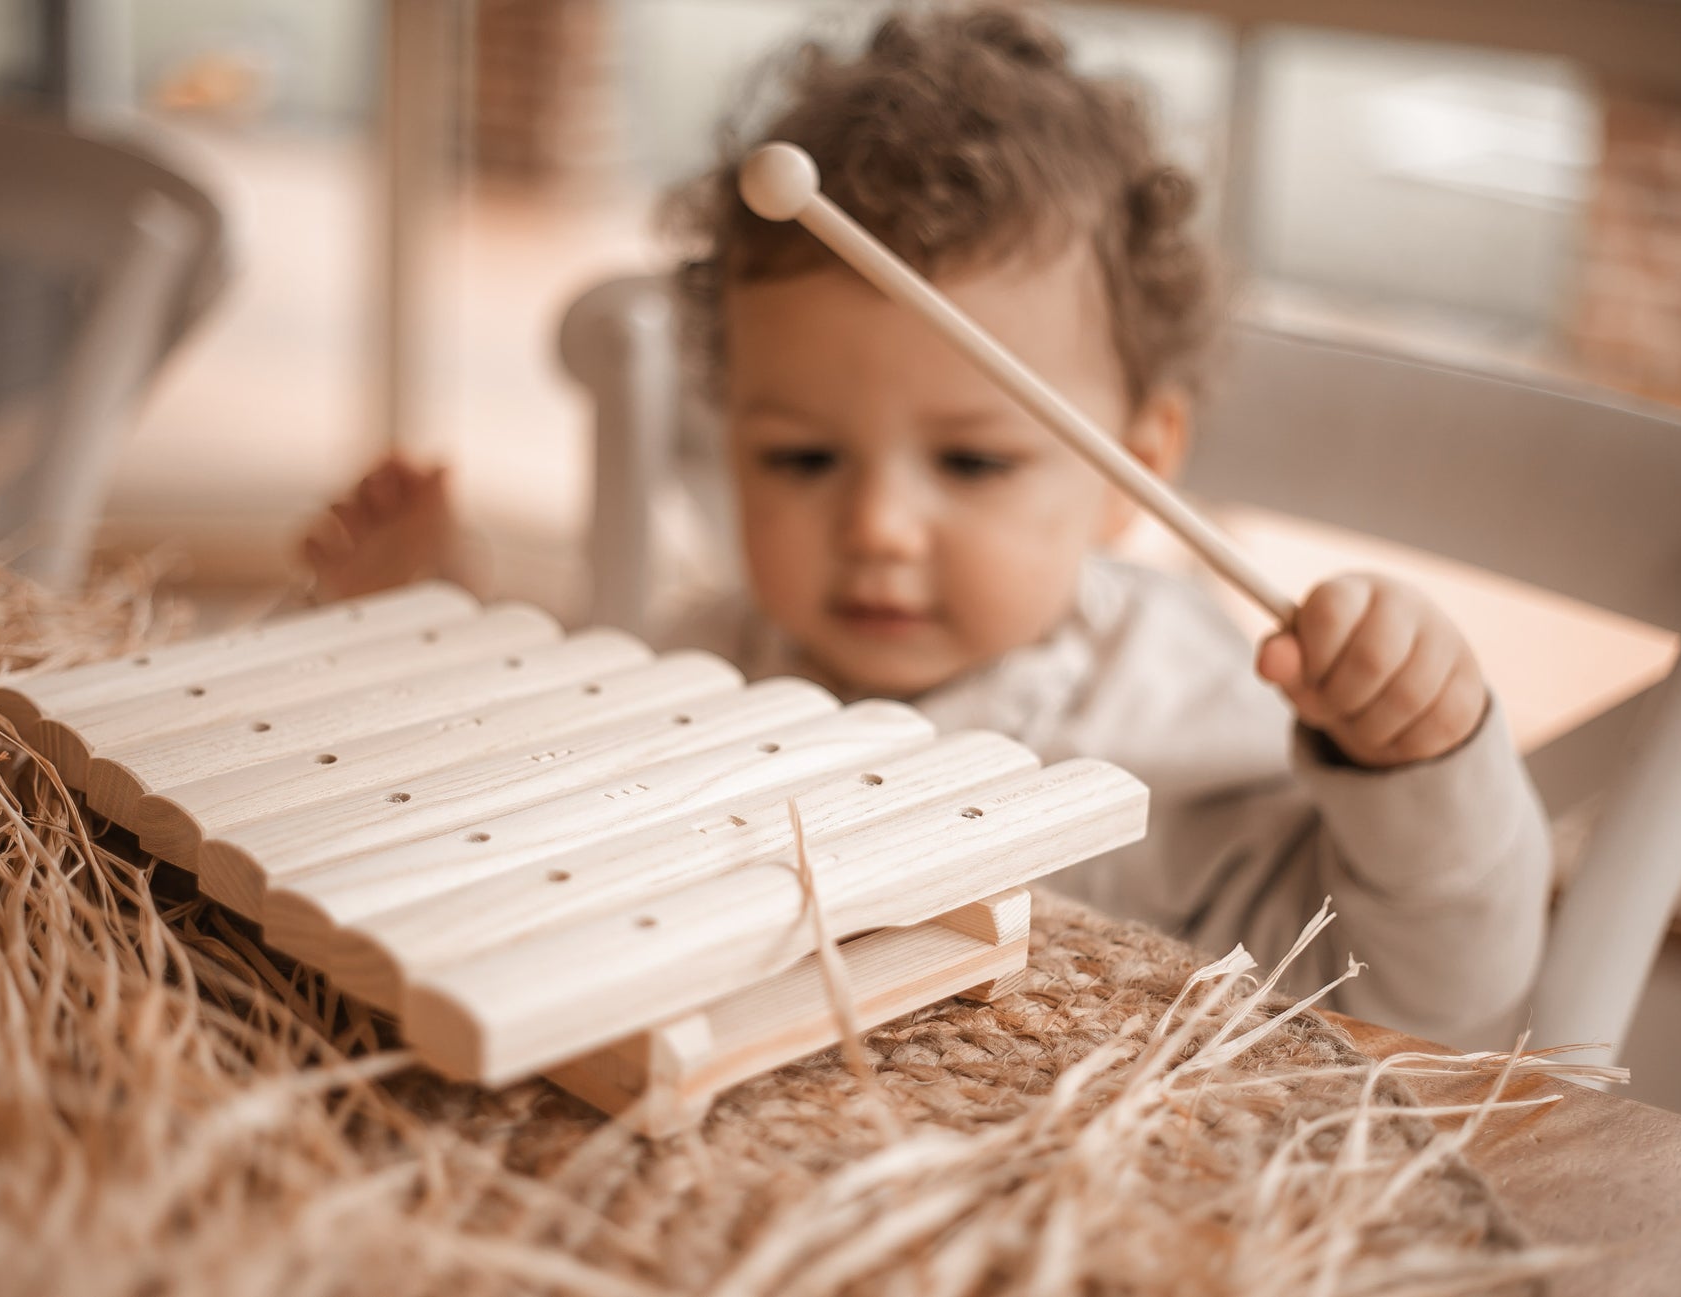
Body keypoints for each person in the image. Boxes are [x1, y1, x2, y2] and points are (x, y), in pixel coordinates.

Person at [302, 4, 1550, 1045]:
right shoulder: (711, 657)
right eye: (797, 455)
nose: (879, 526)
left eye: (970, 459)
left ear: (1137, 464)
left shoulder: (1179, 717)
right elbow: (542, 851)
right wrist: (443, 645)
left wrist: (1416, 765)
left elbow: (1426, 997)